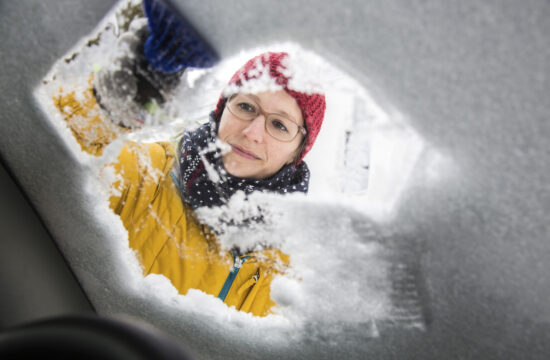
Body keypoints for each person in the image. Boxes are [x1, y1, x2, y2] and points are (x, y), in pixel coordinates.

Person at [53, 15, 325, 317]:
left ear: (297, 152)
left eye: (279, 125)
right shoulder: (149, 176)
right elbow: (52, 149)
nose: (252, 133)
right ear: (222, 109)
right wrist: (110, 101)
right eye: (246, 106)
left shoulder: (300, 269)